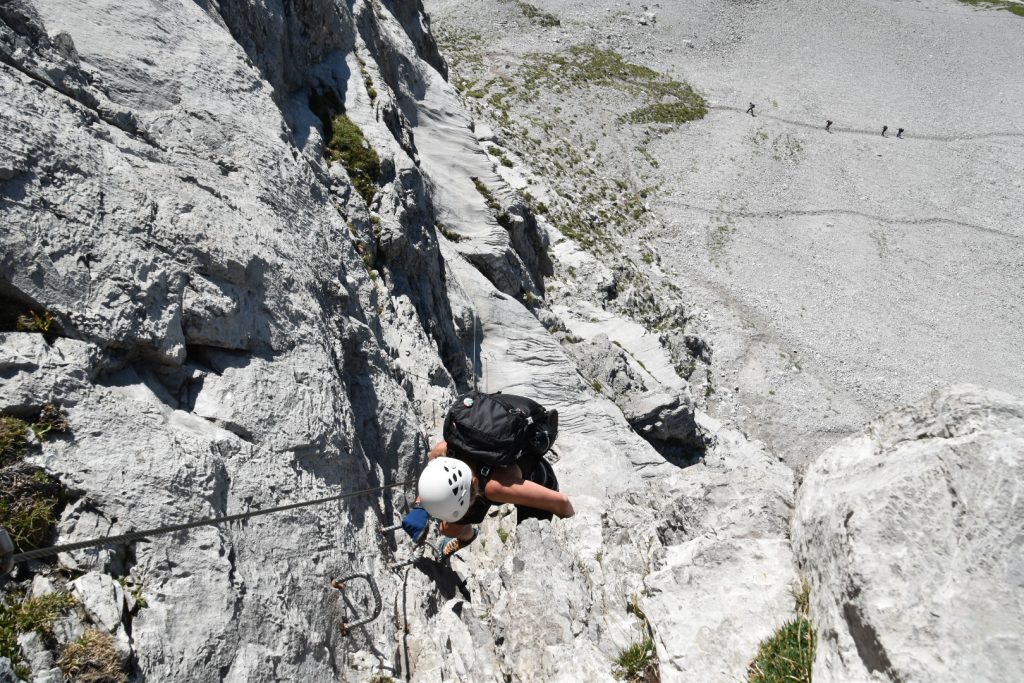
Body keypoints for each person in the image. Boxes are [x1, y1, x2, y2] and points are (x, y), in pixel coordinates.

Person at [403, 441, 574, 560]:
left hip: (538, 482)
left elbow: (561, 502)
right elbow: (433, 473)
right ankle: (467, 538)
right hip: (482, 477)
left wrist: (573, 527)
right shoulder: (444, 450)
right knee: (448, 530)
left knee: (532, 551)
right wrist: (421, 505)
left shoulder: (495, 487)